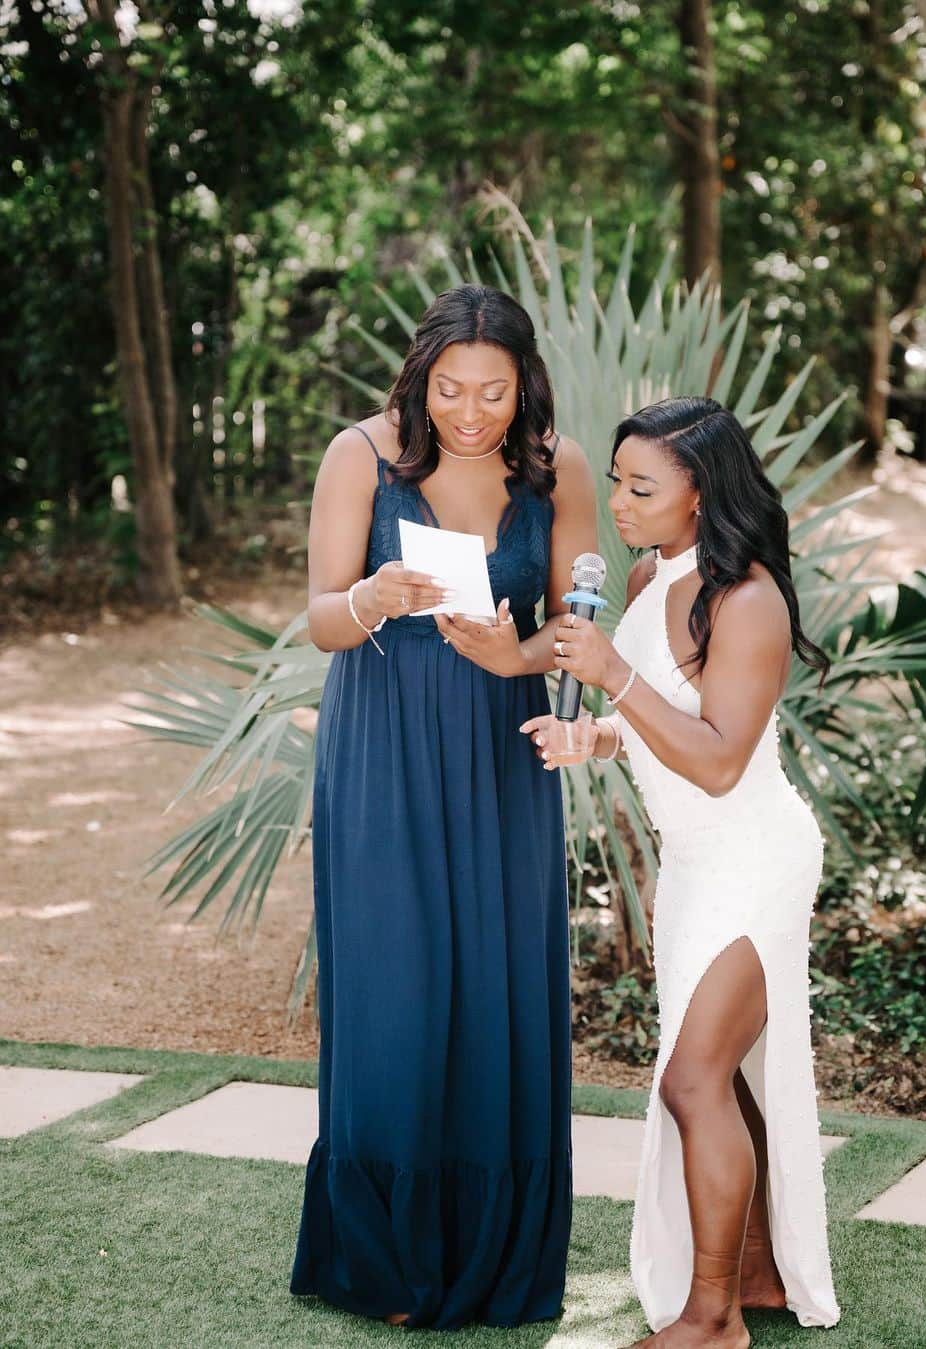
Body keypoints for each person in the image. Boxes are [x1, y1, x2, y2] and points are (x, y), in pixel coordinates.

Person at [291, 284, 597, 1329]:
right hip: (384, 750)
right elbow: (322, 620)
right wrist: (373, 597)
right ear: (420, 377)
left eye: (494, 392)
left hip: (504, 755)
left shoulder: (561, 473)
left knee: (500, 987)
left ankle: (497, 1255)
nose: (470, 412)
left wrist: (515, 652)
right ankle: (388, 1259)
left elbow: (582, 627)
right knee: (397, 987)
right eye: (450, 389)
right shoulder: (360, 457)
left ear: (525, 386)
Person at [522, 397, 840, 1347]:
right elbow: (666, 719)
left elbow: (717, 757)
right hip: (696, 864)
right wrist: (598, 735)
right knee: (728, 1077)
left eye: (641, 487)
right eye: (617, 480)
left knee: (691, 1080)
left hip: (756, 861)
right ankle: (759, 1271)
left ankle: (713, 1317)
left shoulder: (747, 600)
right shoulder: (655, 573)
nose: (617, 501)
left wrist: (613, 678)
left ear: (700, 494)